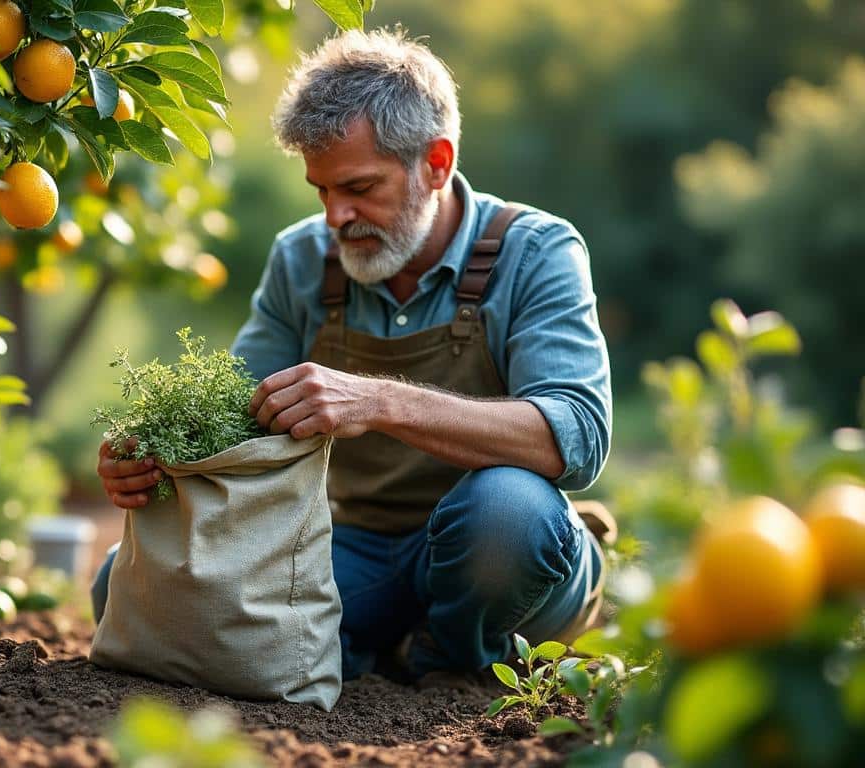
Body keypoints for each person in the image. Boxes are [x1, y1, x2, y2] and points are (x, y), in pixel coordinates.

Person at [92, 28, 615, 686]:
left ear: (437, 163)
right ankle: (376, 644)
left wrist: (380, 401)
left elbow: (577, 438)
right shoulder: (302, 258)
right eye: (321, 191)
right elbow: (235, 414)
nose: (336, 217)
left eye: (360, 187)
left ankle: (445, 659)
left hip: (503, 562)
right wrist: (153, 453)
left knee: (508, 511)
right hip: (358, 549)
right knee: (127, 588)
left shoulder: (536, 252)